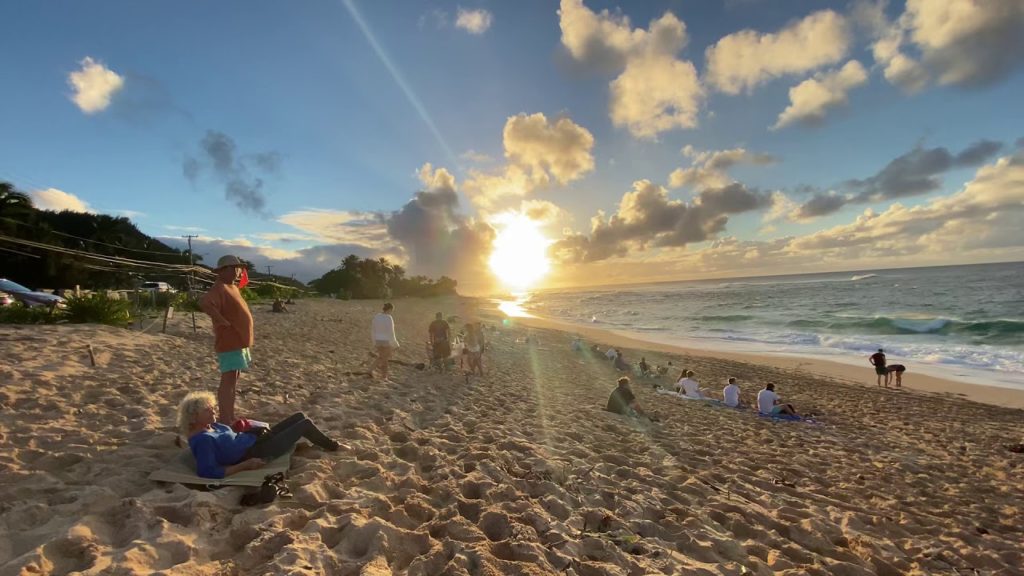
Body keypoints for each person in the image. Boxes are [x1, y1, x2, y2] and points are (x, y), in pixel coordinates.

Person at [177, 391, 341, 479]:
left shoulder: (210, 425)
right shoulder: (203, 440)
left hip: (255, 439)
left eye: (213, 407)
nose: (214, 411)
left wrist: (240, 428)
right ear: (194, 416)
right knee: (304, 425)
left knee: (299, 416)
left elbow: (229, 437)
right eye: (208, 410)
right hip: (257, 451)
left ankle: (328, 443)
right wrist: (246, 465)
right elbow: (208, 472)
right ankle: (334, 446)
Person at [200, 255, 254, 424]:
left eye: (238, 268)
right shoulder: (220, 287)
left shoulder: (232, 287)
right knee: (228, 381)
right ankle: (225, 418)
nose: (237, 272)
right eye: (233, 268)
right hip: (229, 341)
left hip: (238, 341)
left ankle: (229, 416)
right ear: (223, 270)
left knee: (234, 378)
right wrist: (222, 322)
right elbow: (205, 303)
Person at [371, 303, 399, 381]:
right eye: (392, 310)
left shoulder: (376, 316)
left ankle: (370, 370)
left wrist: (374, 341)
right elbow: (391, 332)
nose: (391, 312)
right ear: (389, 309)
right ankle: (384, 376)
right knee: (385, 359)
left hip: (378, 340)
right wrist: (395, 343)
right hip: (386, 340)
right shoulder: (389, 318)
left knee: (381, 357)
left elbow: (373, 330)